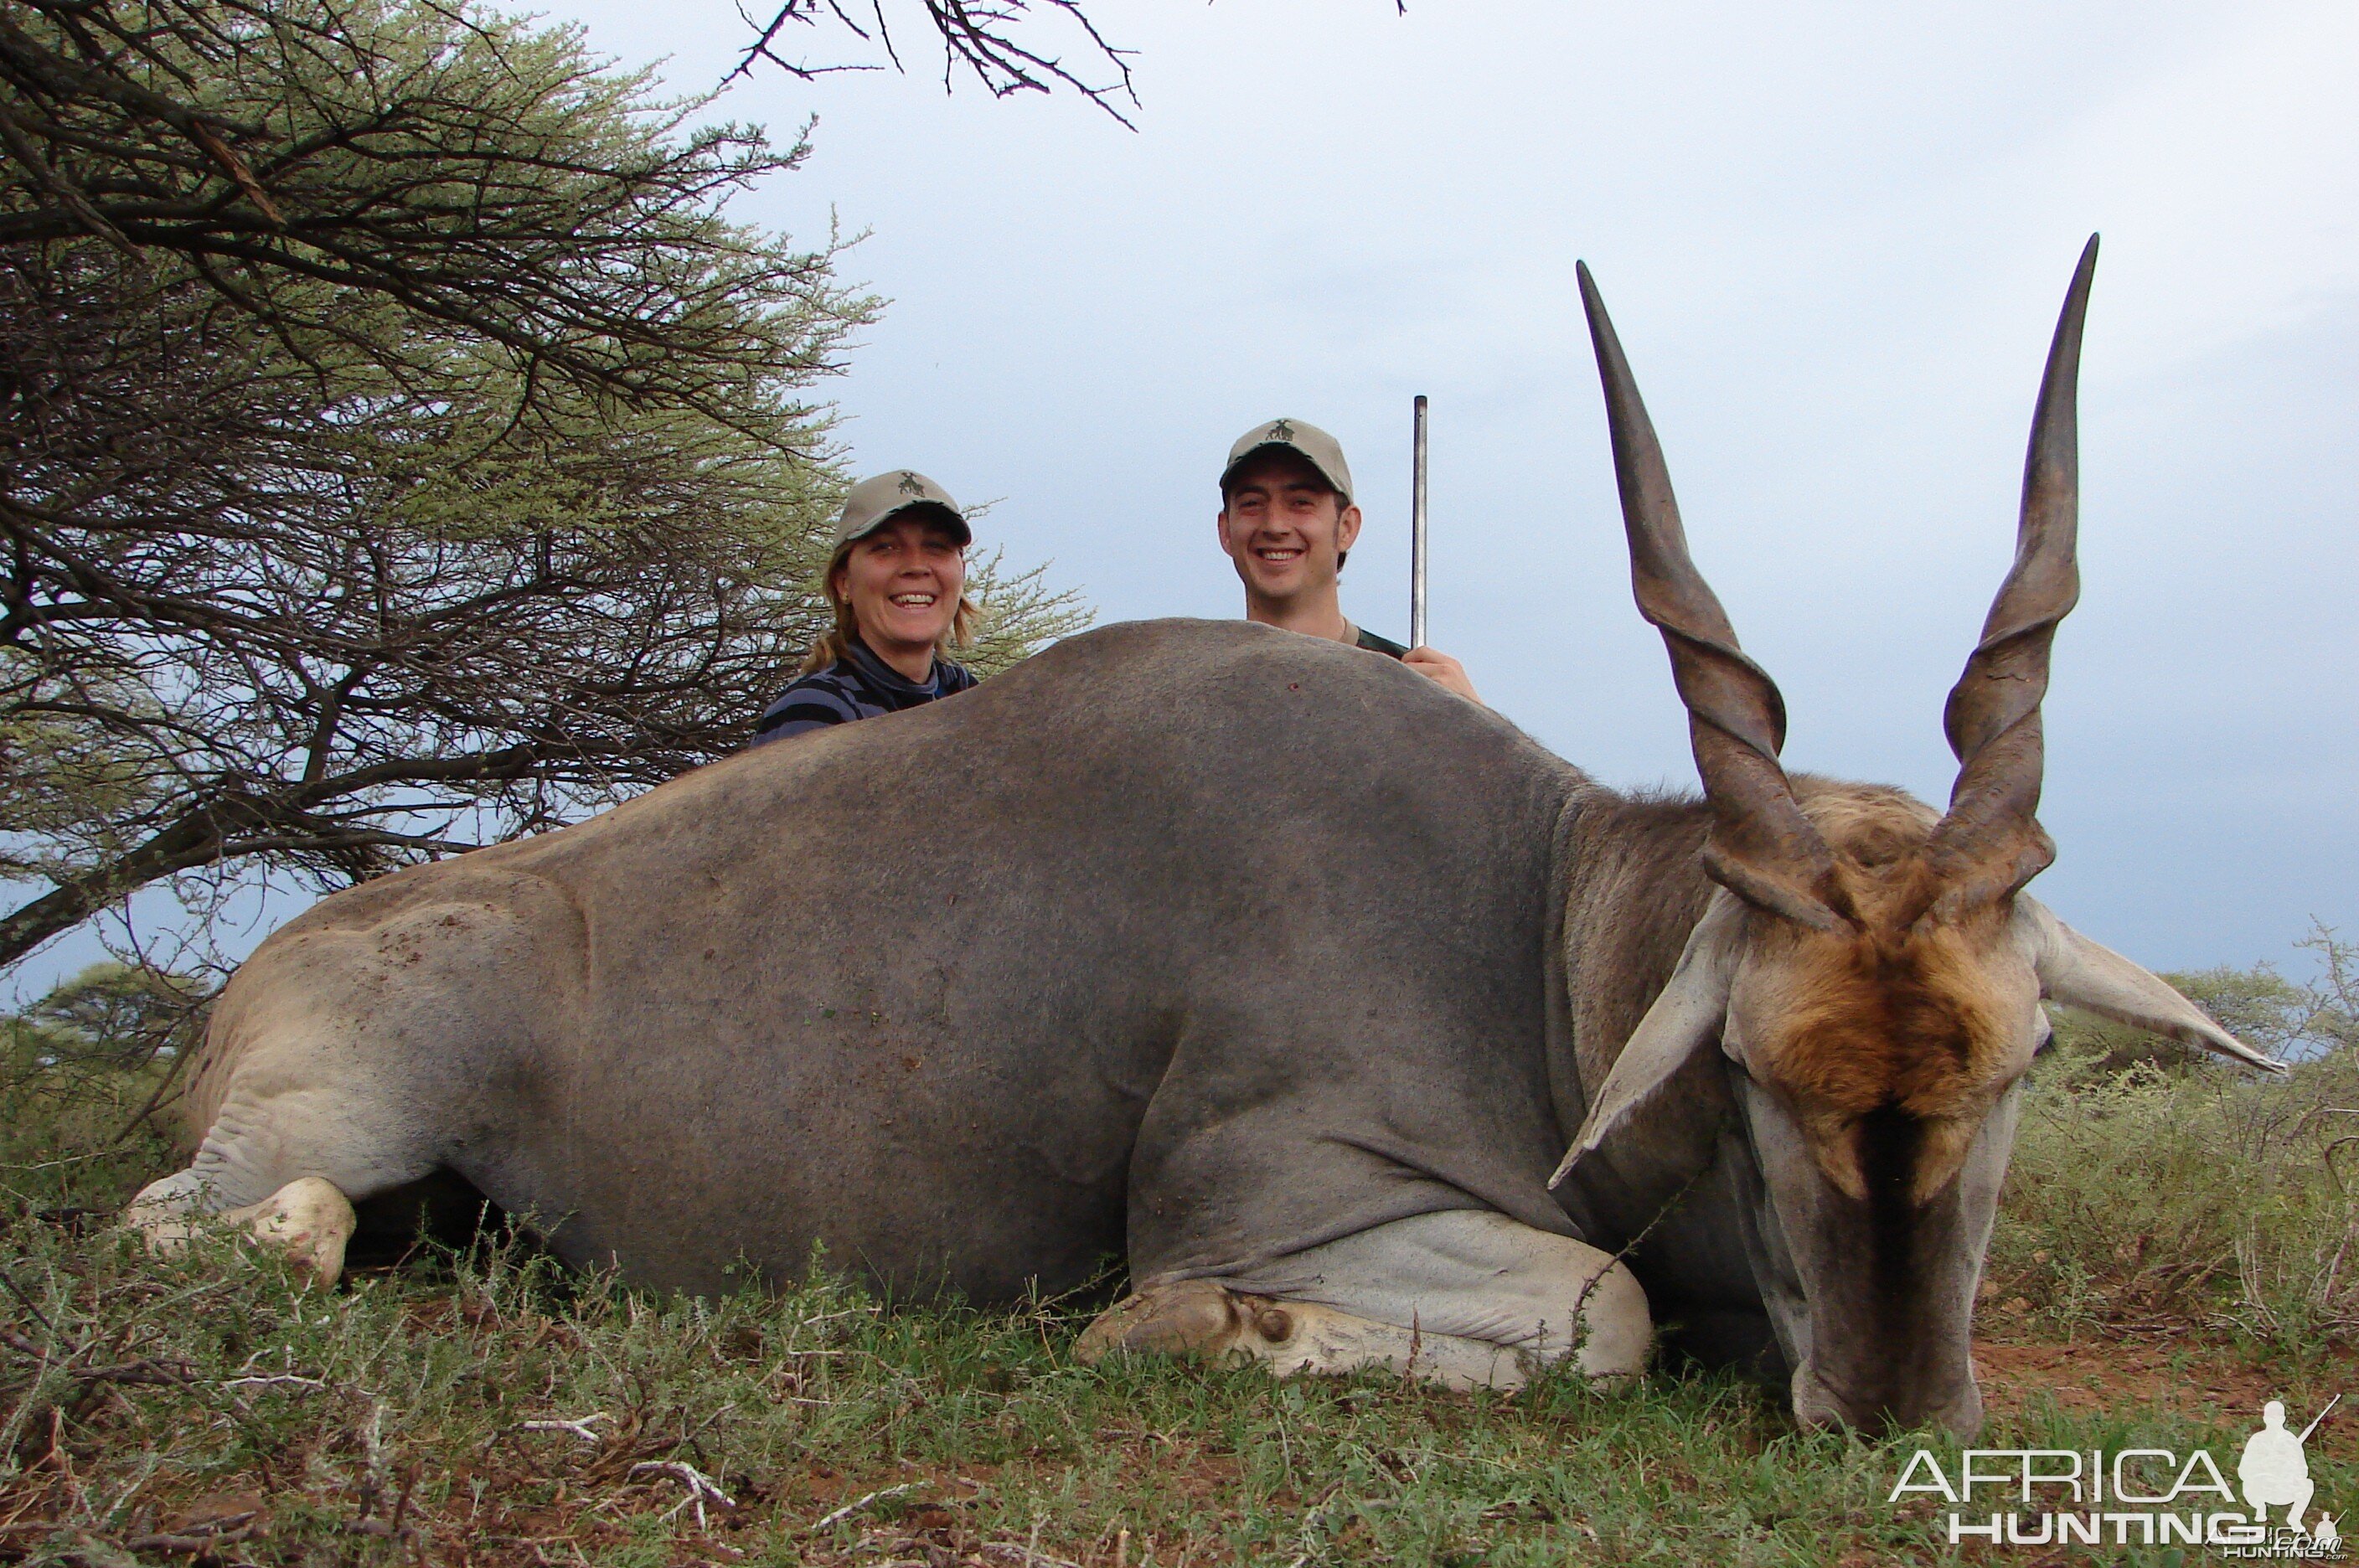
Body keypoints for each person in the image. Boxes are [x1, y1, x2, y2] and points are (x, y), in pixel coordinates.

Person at [1214, 418, 1481, 703]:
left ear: (1346, 528)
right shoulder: (1191, 683)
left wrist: (1478, 724)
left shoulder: (1415, 686)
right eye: (1252, 503)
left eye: (1301, 502)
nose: (1275, 525)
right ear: (1226, 531)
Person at [751, 470, 980, 745]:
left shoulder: (967, 694)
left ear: (962, 574)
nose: (916, 567)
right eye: (886, 547)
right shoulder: (814, 712)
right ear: (844, 583)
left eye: (936, 546)